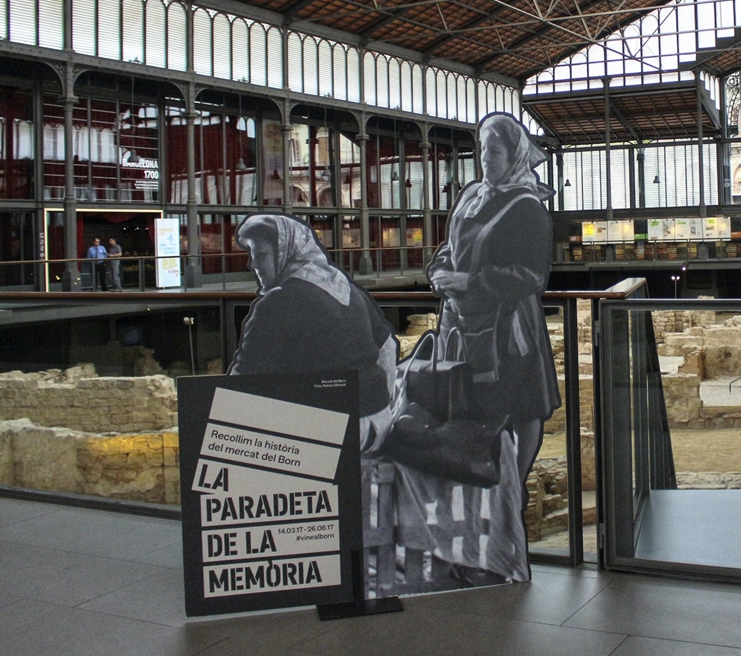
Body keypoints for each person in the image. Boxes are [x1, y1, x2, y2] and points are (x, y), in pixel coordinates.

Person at [427, 113, 559, 485]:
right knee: (467, 402)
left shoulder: (526, 207)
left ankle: (512, 487)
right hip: (461, 322)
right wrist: (439, 272)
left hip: (508, 328)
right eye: (483, 149)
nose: (486, 158)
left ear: (514, 156)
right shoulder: (472, 195)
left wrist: (471, 281)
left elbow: (531, 276)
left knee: (520, 406)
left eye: (496, 151)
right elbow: (450, 246)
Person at [228, 213, 396, 440]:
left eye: (261, 254)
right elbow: (387, 348)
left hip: (334, 430)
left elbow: (244, 381)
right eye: (252, 255)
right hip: (379, 422)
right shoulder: (347, 288)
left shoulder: (278, 302)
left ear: (285, 252)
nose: (253, 264)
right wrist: (382, 401)